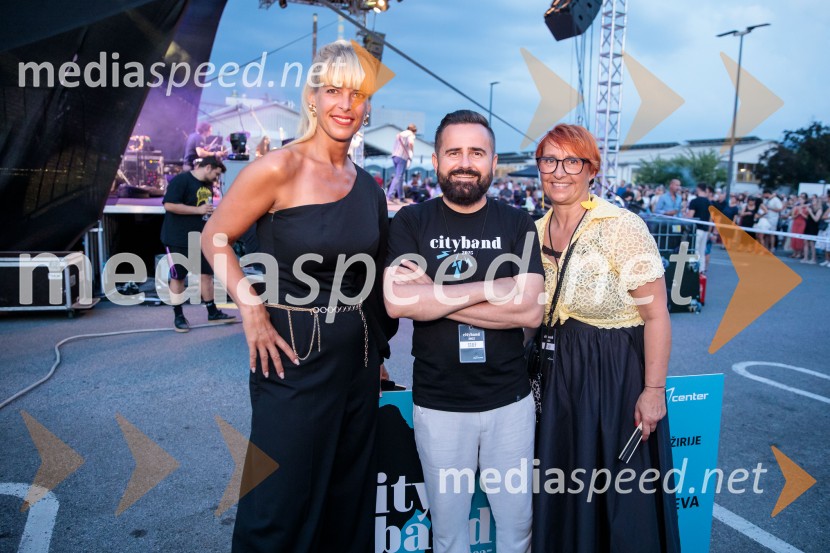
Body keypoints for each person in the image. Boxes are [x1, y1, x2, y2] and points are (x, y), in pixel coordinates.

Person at [201, 40, 396, 552]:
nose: (345, 105)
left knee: (348, 499)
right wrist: (251, 310)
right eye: (333, 91)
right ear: (312, 97)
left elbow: (371, 279)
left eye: (357, 95)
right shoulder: (278, 168)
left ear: (368, 107)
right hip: (290, 352)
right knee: (278, 503)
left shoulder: (369, 188)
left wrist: (378, 355)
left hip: (357, 360)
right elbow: (214, 236)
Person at [383, 110, 545, 553]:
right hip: (439, 406)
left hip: (510, 404)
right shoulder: (411, 221)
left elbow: (531, 312)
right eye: (454, 152)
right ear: (436, 160)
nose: (465, 162)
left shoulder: (517, 223)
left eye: (477, 152)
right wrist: (496, 289)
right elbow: (397, 302)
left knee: (518, 529)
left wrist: (433, 294)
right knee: (448, 533)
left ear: (493, 162)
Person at [531, 124, 680, 553]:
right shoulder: (534, 229)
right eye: (549, 160)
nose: (560, 171)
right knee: (563, 490)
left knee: (617, 498)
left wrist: (654, 391)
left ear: (591, 169)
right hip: (557, 379)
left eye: (572, 161)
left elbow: (657, 314)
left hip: (613, 377)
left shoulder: (620, 227)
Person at [160, 156, 235, 332]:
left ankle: (212, 312)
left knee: (206, 274)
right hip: (177, 237)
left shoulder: (206, 185)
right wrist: (198, 210)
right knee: (178, 276)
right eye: (216, 174)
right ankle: (178, 316)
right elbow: (169, 205)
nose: (217, 179)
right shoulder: (182, 180)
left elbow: (202, 209)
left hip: (200, 237)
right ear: (208, 167)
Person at [386, 123, 417, 203]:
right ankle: (390, 195)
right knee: (399, 176)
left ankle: (401, 197)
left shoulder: (400, 134)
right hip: (402, 157)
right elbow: (411, 143)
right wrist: (411, 152)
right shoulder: (410, 134)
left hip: (395, 156)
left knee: (400, 177)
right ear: (414, 131)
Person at [685, 182, 712, 273]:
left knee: (695, 250)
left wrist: (686, 216)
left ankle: (694, 271)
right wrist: (709, 231)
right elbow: (711, 218)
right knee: (702, 251)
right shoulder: (709, 202)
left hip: (696, 229)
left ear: (698, 189)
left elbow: (691, 216)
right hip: (705, 229)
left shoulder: (694, 201)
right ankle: (701, 271)